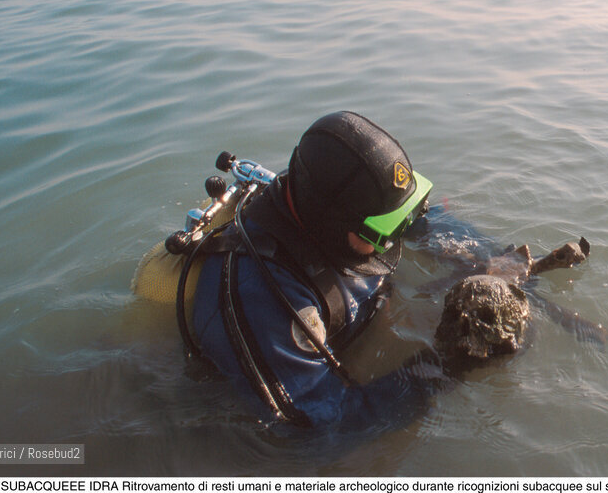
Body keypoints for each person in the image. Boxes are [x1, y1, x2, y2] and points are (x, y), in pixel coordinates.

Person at [185, 111, 449, 427]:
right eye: (382, 232)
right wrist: (444, 368)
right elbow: (324, 425)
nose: (392, 241)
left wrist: (492, 258)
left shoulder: (343, 205)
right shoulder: (264, 301)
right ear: (332, 224)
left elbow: (420, 223)